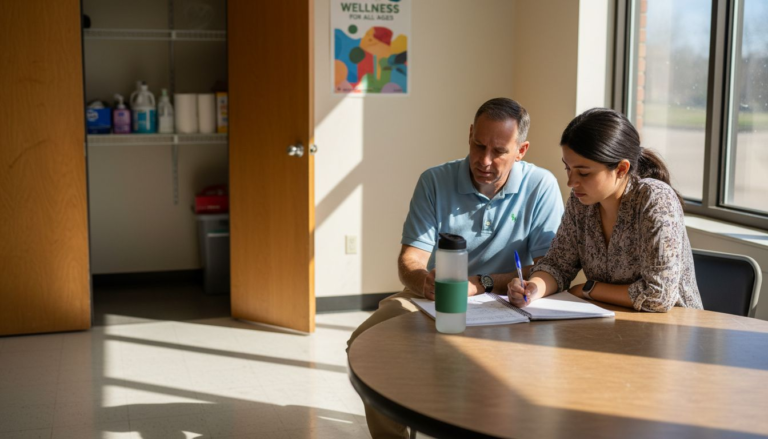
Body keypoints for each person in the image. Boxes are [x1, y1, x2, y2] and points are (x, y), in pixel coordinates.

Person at [347, 98, 565, 439]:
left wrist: (482, 283)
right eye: (478, 145)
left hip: (507, 302)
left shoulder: (542, 186)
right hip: (434, 296)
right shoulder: (434, 181)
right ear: (469, 135)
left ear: (521, 150)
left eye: (499, 151)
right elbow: (410, 261)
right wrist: (424, 281)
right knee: (365, 346)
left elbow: (548, 266)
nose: (485, 160)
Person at [508, 108, 703, 312]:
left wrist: (588, 288)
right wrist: (533, 288)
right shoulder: (580, 203)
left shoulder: (655, 199)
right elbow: (557, 265)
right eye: (568, 168)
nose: (571, 182)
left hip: (672, 330)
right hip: (610, 325)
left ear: (621, 169)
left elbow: (658, 295)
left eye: (583, 173)